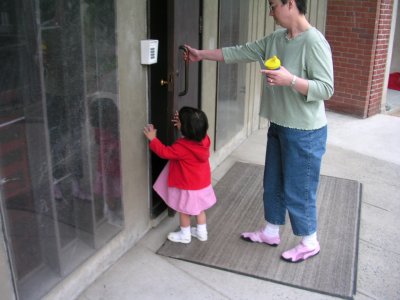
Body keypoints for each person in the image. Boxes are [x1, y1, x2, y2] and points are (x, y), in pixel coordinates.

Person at [184, 0, 334, 262]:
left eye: (273, 5)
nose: (270, 12)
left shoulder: (314, 41)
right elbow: (240, 52)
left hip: (305, 132)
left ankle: (310, 240)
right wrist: (201, 54)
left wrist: (291, 81)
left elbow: (326, 89)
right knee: (272, 182)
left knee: (299, 188)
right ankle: (271, 231)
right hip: (279, 124)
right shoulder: (276, 38)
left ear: (290, 4)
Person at [143, 107, 217, 244]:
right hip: (202, 185)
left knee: (184, 212)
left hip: (188, 187)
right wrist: (182, 125)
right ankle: (202, 233)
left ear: (186, 129)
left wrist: (153, 139)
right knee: (200, 210)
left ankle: (185, 235)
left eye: (181, 122)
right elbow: (192, 135)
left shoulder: (182, 147)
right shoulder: (205, 140)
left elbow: (165, 152)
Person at [90, 98, 122, 226]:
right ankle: (111, 214)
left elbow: (98, 142)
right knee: (110, 192)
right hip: (109, 167)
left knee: (113, 191)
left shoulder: (102, 129)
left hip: (112, 166)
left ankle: (112, 211)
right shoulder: (103, 129)